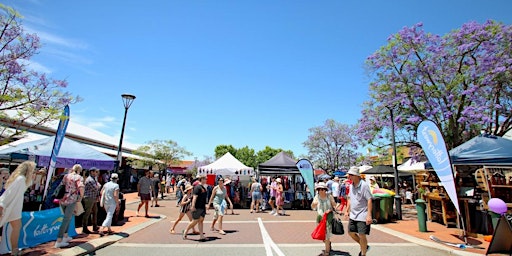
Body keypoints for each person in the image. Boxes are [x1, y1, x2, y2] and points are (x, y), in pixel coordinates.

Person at [0, 161, 35, 256]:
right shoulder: (20, 179)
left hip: (14, 207)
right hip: (9, 206)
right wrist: (2, 204)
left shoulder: (21, 179)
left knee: (16, 227)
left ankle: (14, 250)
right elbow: (9, 193)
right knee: (16, 228)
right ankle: (14, 250)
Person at [344, 166, 372, 256]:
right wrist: (347, 210)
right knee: (351, 232)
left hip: (362, 214)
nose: (349, 177)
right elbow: (349, 198)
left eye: (351, 175)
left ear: (356, 176)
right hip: (353, 214)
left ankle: (363, 253)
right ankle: (364, 245)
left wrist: (369, 215)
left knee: (362, 234)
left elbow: (369, 199)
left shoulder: (364, 185)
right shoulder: (351, 186)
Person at [55, 164, 85, 248]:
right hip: (72, 199)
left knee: (67, 217)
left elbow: (62, 185)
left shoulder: (66, 176)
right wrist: (81, 197)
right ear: (79, 170)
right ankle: (59, 240)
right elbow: (81, 187)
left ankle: (65, 236)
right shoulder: (79, 177)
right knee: (66, 219)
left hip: (63, 199)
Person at [311, 182, 337, 256]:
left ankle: (327, 252)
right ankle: (328, 243)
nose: (321, 191)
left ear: (325, 190)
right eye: (319, 189)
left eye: (323, 189)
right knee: (321, 234)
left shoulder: (329, 196)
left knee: (326, 235)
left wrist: (331, 209)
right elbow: (312, 206)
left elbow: (335, 205)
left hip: (328, 217)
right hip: (320, 217)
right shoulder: (317, 197)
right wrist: (314, 204)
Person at [183, 175, 208, 241]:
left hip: (202, 206)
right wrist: (193, 206)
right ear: (201, 179)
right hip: (197, 207)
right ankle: (186, 231)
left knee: (201, 220)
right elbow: (194, 197)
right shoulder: (197, 187)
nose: (206, 180)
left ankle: (201, 236)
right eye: (205, 179)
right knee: (195, 221)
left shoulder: (203, 187)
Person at [82, 167, 101, 234]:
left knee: (95, 211)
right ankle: (84, 228)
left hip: (94, 197)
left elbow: (98, 186)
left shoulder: (94, 179)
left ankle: (95, 226)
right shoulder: (89, 180)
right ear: (91, 172)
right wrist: (98, 185)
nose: (97, 173)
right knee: (87, 212)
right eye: (95, 172)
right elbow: (96, 187)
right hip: (89, 198)